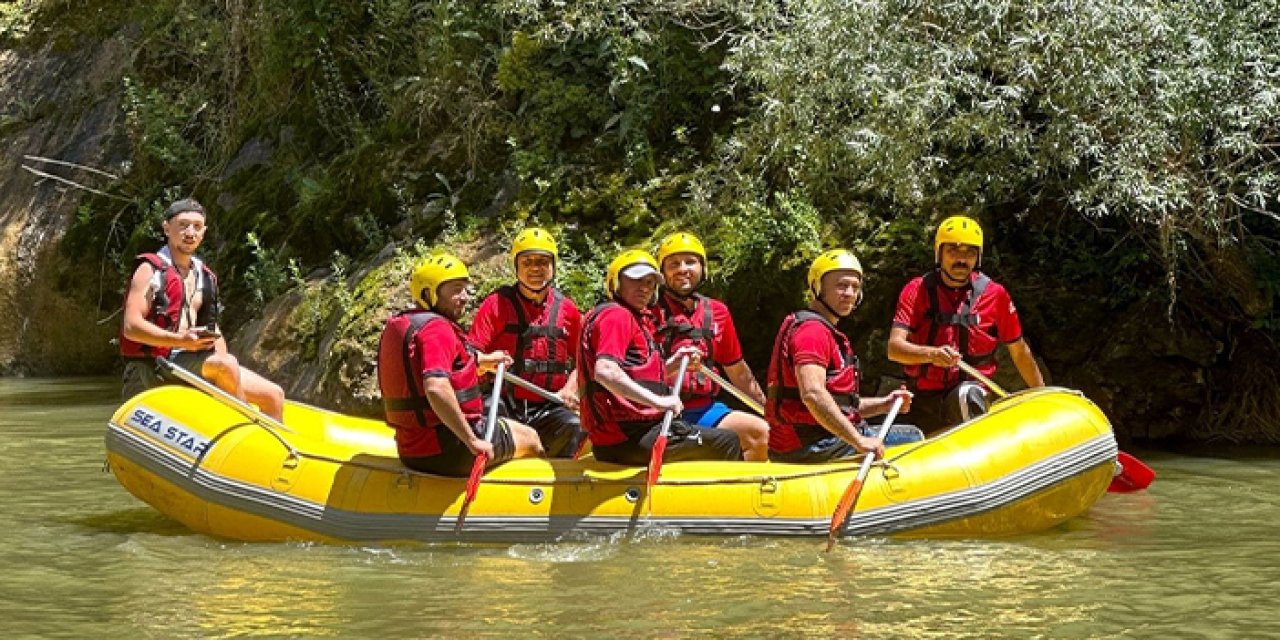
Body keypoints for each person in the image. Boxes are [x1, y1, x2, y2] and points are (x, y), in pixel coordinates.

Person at [378, 253, 545, 477]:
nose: (465, 297)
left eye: (466, 289)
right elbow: (436, 387)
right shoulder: (436, 329)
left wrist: (484, 361)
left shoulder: (406, 323)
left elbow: (449, 365)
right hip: (448, 448)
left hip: (412, 449)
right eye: (456, 289)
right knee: (531, 437)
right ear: (429, 293)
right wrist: (472, 440)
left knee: (498, 416)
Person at [119, 198, 285, 420]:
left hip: (193, 360)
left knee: (274, 395)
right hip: (157, 364)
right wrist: (180, 341)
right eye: (183, 225)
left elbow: (211, 327)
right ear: (167, 228)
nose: (190, 232)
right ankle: (244, 426)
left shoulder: (204, 276)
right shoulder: (150, 270)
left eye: (197, 227)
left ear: (204, 232)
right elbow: (131, 327)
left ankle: (266, 450)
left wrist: (227, 366)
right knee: (225, 365)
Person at [578, 249, 742, 465]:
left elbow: (638, 375)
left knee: (714, 439)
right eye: (636, 280)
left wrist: (673, 363)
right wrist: (660, 402)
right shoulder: (616, 315)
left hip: (630, 434)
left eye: (650, 283)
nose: (644, 288)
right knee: (727, 442)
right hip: (628, 438)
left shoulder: (633, 319)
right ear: (616, 283)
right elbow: (605, 371)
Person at [887, 215, 1045, 433]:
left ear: (978, 257)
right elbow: (895, 349)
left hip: (972, 394)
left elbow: (1019, 352)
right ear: (939, 253)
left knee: (967, 394)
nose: (962, 259)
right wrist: (931, 354)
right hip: (923, 398)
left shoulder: (995, 295)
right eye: (953, 250)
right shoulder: (916, 290)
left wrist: (1042, 395)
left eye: (969, 252)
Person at [766, 249, 914, 463]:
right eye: (841, 285)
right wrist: (858, 441)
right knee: (914, 438)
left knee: (908, 432)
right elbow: (813, 395)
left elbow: (839, 406)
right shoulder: (812, 332)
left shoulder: (823, 330)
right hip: (811, 445)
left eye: (855, 287)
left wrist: (884, 404)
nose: (849, 293)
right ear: (818, 288)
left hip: (822, 436)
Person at [469, 228, 585, 457]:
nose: (535, 268)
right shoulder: (496, 304)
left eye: (542, 262)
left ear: (553, 266)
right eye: (527, 262)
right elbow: (470, 355)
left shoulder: (568, 310)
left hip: (550, 404)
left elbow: (584, 360)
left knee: (575, 426)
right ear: (516, 267)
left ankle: (561, 480)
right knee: (487, 416)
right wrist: (486, 362)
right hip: (504, 401)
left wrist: (571, 388)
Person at [653, 232, 769, 461]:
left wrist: (769, 410)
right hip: (657, 409)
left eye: (690, 262)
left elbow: (737, 371)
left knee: (760, 434)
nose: (682, 269)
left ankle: (740, 494)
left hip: (702, 407)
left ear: (703, 269)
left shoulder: (718, 312)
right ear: (662, 273)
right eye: (674, 264)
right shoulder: (647, 311)